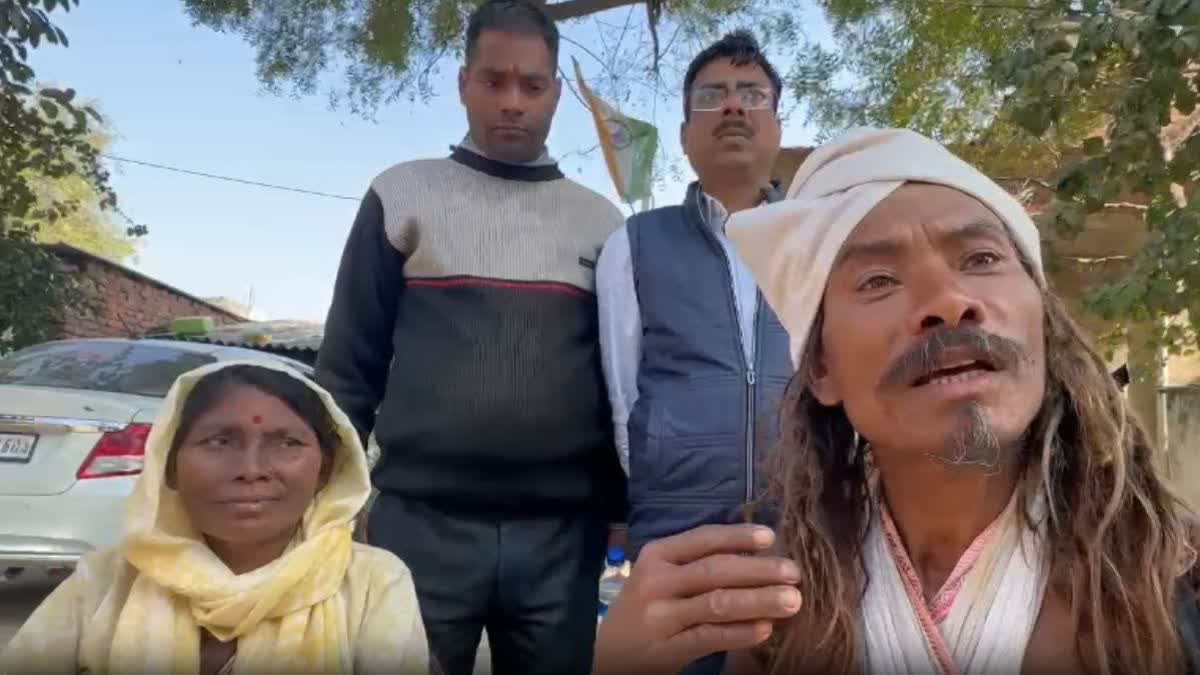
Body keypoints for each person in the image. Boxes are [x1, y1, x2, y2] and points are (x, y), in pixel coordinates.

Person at [591, 127, 1200, 674]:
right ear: (821, 368)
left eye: (982, 258)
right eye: (878, 280)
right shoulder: (780, 605)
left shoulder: (1169, 573)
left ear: (1044, 320)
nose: (949, 299)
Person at [314, 1, 627, 673]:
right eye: (494, 80)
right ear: (463, 83)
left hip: (561, 537)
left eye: (532, 84)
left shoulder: (602, 223)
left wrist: (623, 507)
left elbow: (621, 383)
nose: (512, 101)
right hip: (415, 526)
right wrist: (327, 501)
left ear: (557, 94)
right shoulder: (401, 196)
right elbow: (348, 367)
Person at [1, 361, 430, 674]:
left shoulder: (373, 582)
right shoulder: (104, 582)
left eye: (286, 443)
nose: (251, 468)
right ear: (168, 466)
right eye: (220, 440)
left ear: (325, 469)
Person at [595, 29, 790, 675]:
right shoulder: (636, 242)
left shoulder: (822, 237)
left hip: (810, 524)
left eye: (750, 93)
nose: (733, 106)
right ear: (683, 135)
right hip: (678, 530)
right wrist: (675, 473)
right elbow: (625, 396)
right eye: (712, 95)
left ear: (776, 124)